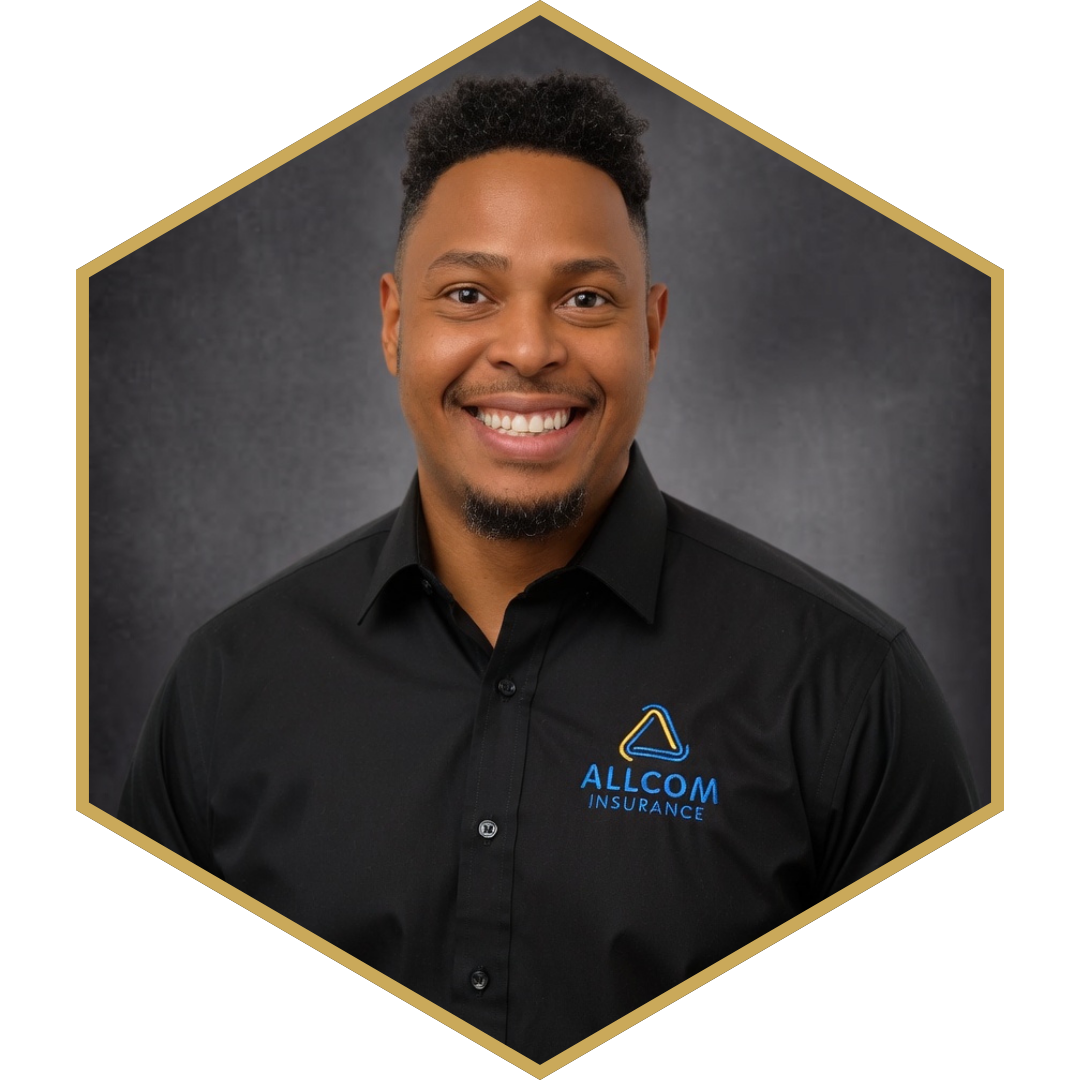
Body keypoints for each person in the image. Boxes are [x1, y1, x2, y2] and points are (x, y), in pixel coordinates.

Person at [119, 72, 977, 1063]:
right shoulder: (229, 685)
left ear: (649, 330)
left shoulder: (849, 690)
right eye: (469, 293)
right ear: (396, 322)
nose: (527, 349)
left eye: (583, 297)